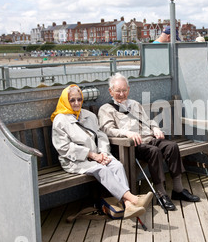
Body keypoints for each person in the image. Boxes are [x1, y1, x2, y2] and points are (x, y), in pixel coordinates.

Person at [98, 73, 200, 211]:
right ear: (111, 91)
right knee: (154, 152)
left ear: (128, 89)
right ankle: (161, 194)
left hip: (149, 138)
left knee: (172, 146)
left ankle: (178, 189)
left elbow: (148, 121)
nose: (122, 94)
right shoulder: (106, 109)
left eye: (124, 90)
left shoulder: (134, 104)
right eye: (118, 91)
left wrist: (156, 128)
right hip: (132, 145)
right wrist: (126, 133)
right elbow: (107, 130)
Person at [51, 84, 153, 219]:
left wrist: (104, 153)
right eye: (72, 100)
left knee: (116, 165)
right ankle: (132, 199)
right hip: (76, 160)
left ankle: (128, 205)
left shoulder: (88, 116)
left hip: (98, 156)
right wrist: (92, 155)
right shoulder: (60, 120)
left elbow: (101, 136)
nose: (77, 103)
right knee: (102, 170)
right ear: (65, 101)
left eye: (79, 99)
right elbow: (64, 148)